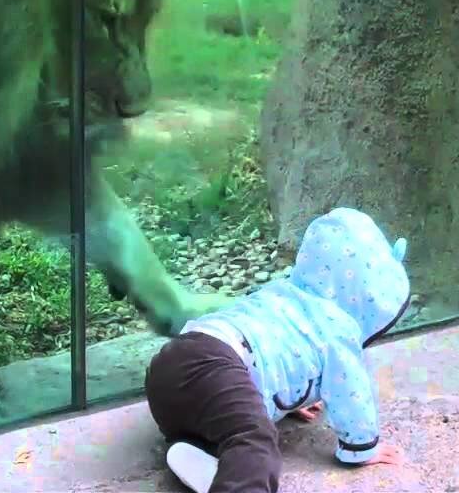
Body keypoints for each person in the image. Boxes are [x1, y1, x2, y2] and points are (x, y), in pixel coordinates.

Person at [143, 207, 413, 493]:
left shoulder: (283, 291)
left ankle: (200, 456)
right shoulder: (338, 327)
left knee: (230, 426)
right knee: (255, 442)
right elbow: (350, 391)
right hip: (219, 365)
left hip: (167, 373)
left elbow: (278, 356)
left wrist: (296, 397)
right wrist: (362, 447)